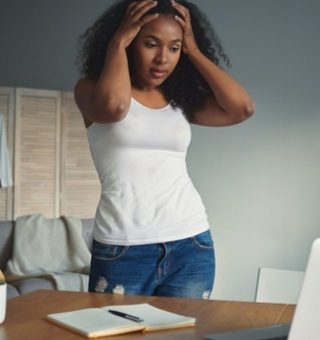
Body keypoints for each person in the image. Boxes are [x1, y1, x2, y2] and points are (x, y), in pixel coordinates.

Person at [74, 0, 255, 299]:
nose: (162, 58)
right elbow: (115, 107)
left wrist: (194, 50)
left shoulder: (179, 100)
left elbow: (242, 108)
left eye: (174, 47)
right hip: (123, 246)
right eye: (150, 44)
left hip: (190, 242)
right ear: (132, 41)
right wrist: (118, 41)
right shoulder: (90, 90)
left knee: (182, 334)